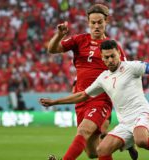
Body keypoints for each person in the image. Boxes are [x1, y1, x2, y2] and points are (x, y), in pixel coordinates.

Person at [40, 40, 149, 160]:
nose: (110, 60)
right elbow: (82, 95)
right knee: (102, 149)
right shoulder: (103, 77)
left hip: (142, 114)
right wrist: (55, 102)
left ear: (119, 53)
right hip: (125, 123)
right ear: (102, 58)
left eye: (112, 56)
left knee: (141, 139)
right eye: (106, 58)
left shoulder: (132, 67)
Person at [46, 4, 137, 160]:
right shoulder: (79, 40)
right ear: (88, 22)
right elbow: (52, 49)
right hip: (80, 98)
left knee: (83, 131)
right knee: (93, 152)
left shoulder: (112, 47)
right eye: (93, 22)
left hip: (101, 98)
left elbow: (124, 74)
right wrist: (59, 35)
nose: (96, 26)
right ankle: (125, 142)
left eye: (100, 22)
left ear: (106, 22)